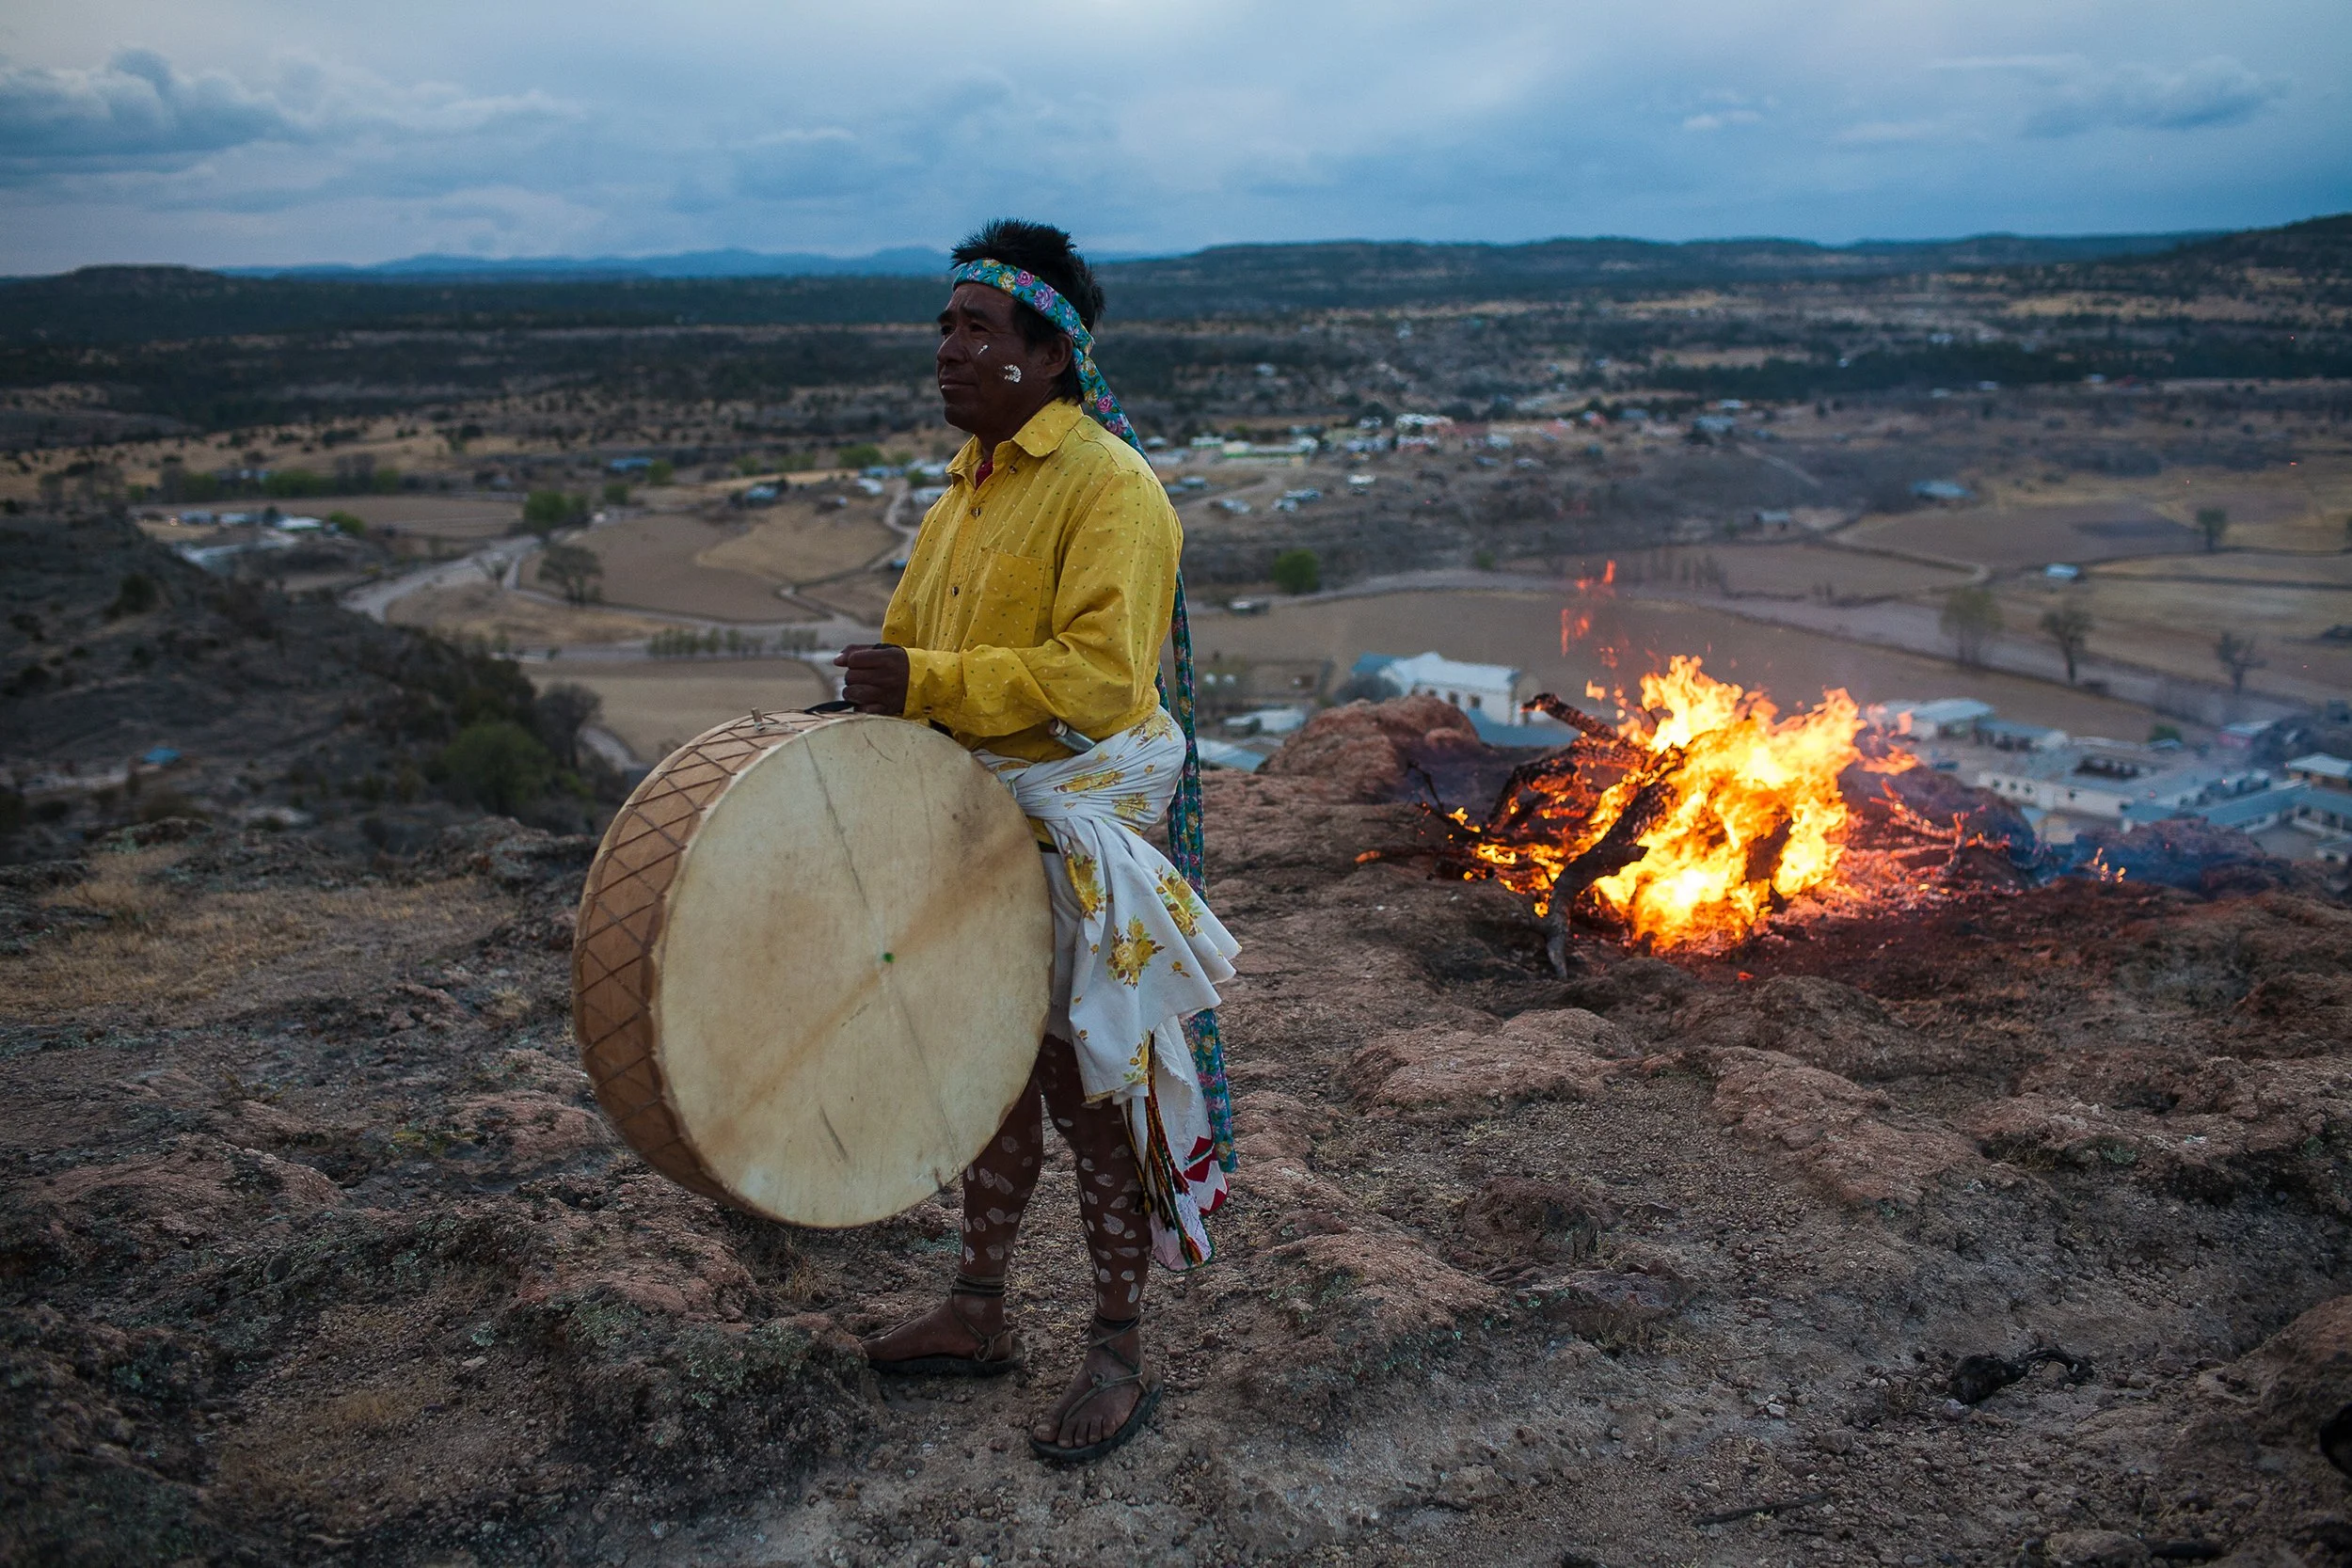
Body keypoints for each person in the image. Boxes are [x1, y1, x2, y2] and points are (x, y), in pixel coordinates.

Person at [835, 219, 1237, 1464]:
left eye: (977, 328)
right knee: (992, 1070)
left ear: (1052, 353)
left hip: (1069, 819)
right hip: (981, 821)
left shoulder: (1111, 488)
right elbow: (915, 654)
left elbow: (1103, 685)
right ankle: (978, 1311)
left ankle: (1117, 1344)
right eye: (944, 326)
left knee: (1083, 1084)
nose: (948, 349)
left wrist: (927, 683)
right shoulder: (965, 487)